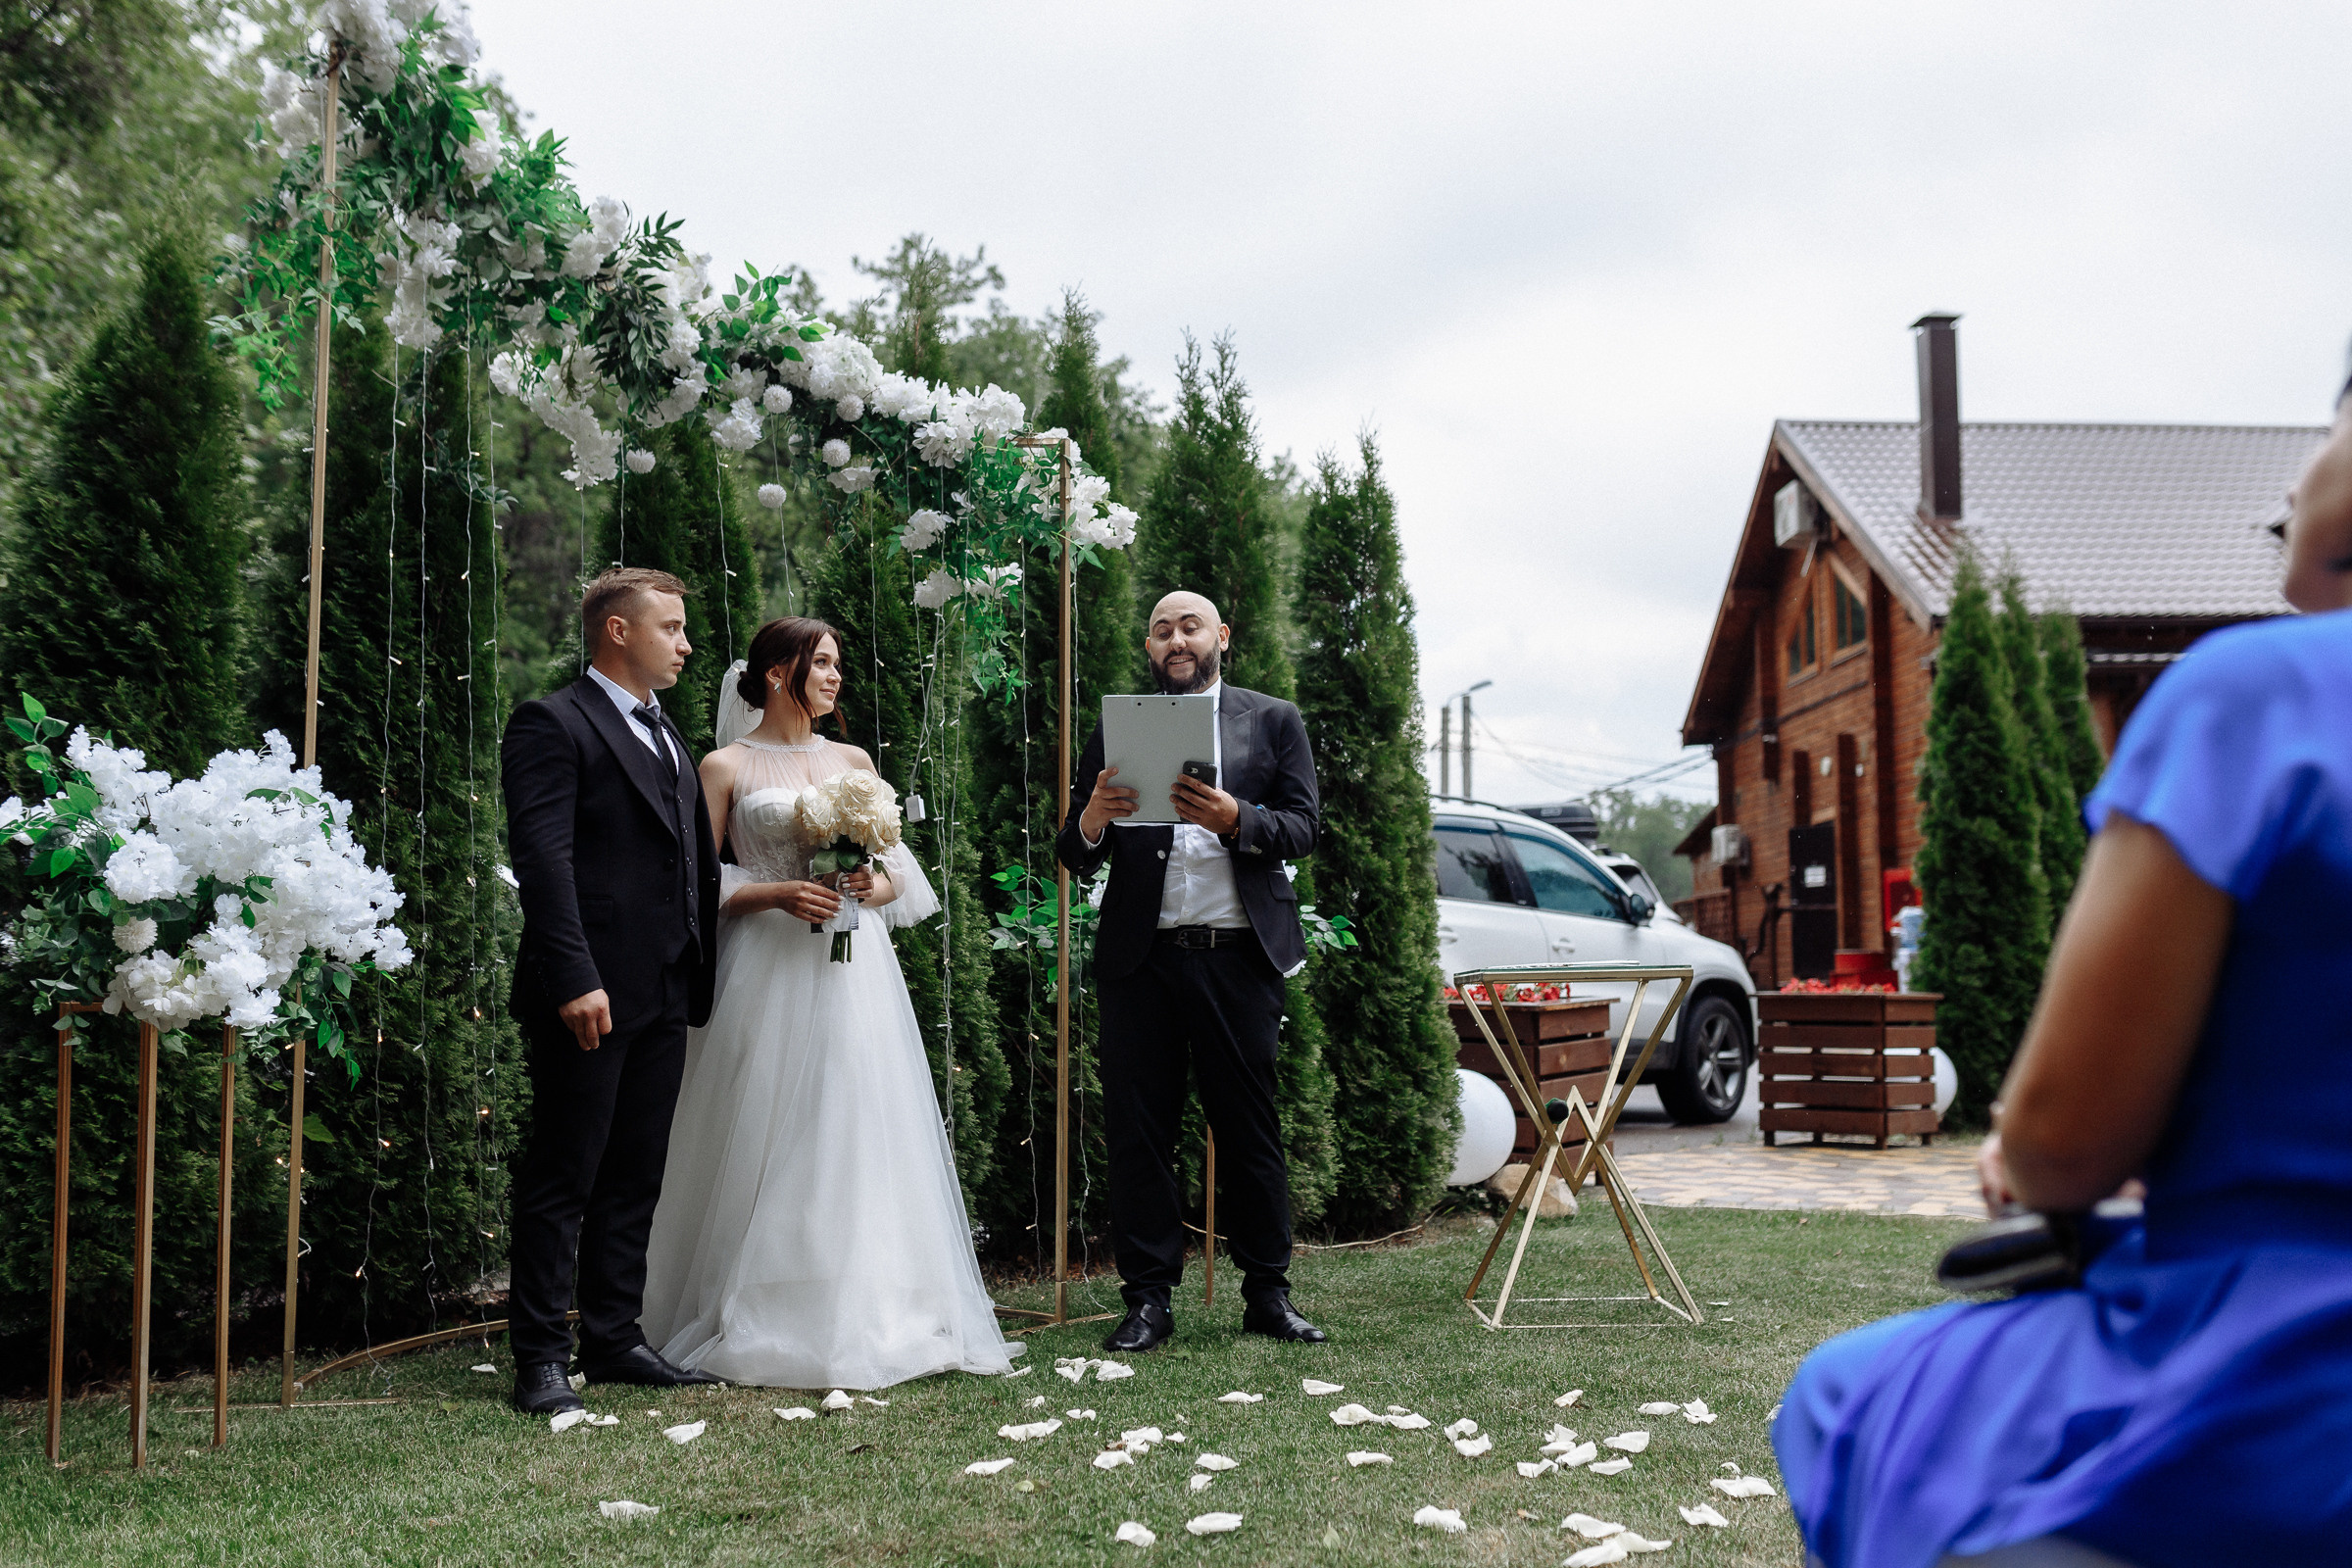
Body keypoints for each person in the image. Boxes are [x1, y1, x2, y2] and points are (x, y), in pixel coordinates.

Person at [1771, 381, 2352, 1566]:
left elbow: (2062, 1146)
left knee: (1846, 1396)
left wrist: (2019, 1153)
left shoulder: (2259, 699)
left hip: (2284, 1378)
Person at [638, 617, 1020, 1389]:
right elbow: (694, 886)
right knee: (765, 1123)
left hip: (854, 971)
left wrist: (860, 886)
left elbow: (898, 879)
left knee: (850, 1121)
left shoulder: (851, 761)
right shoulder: (724, 765)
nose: (835, 677)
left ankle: (863, 1302)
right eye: (822, 663)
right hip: (763, 968)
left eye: (838, 664)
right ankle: (755, 1306)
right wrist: (778, 892)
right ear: (777, 672)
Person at [1057, 590, 1328, 1352]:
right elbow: (1076, 853)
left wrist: (1235, 819)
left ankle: (1267, 1296)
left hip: (1238, 957)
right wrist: (1095, 817)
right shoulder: (1120, 725)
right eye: (1161, 629)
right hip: (1140, 962)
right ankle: (1147, 1300)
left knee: (1249, 1129)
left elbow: (1305, 826)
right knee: (1139, 1133)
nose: (1176, 639)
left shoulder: (1271, 719)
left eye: (1189, 626)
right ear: (1149, 648)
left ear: (1221, 637)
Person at [500, 568, 724, 1417]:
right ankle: (539, 1358)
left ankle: (616, 1338)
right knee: (566, 1174)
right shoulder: (552, 723)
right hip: (589, 992)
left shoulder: (667, 730)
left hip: (666, 986)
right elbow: (543, 863)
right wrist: (575, 976)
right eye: (670, 627)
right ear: (618, 633)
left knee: (636, 1174)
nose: (685, 642)